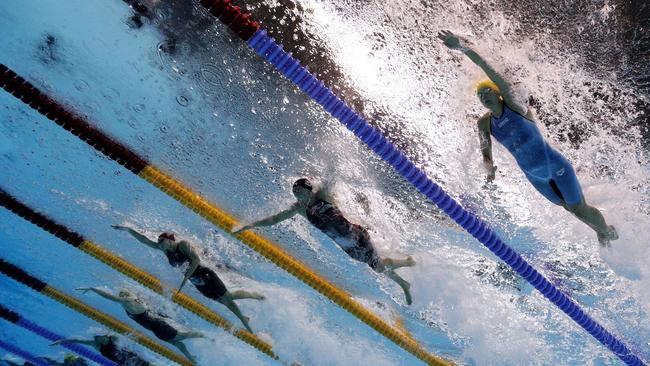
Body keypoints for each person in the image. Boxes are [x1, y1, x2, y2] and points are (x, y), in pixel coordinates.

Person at [437, 30, 619, 245]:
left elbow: (490, 71)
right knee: (571, 209)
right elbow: (486, 153)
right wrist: (489, 168)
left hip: (555, 165)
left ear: (498, 93)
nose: (484, 97)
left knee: (579, 208)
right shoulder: (484, 123)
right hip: (535, 177)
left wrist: (462, 48)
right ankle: (602, 230)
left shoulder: (515, 106)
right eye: (480, 96)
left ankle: (607, 231)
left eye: (487, 92)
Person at [234, 178, 416, 304]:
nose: (296, 194)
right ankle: (405, 271)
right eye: (294, 192)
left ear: (308, 189)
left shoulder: (323, 195)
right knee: (377, 266)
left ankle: (406, 273)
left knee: (378, 266)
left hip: (357, 236)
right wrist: (249, 225)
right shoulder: (298, 209)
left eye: (299, 190)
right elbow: (273, 220)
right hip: (348, 248)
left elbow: (332, 177)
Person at [111, 225, 264, 332]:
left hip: (205, 275)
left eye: (162, 241)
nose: (159, 244)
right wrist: (129, 230)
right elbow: (144, 240)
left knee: (227, 298)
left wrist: (185, 279)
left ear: (170, 240)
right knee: (222, 300)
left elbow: (196, 260)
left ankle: (249, 314)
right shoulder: (165, 250)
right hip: (196, 281)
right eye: (158, 242)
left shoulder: (182, 245)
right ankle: (247, 312)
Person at [76, 287, 201, 362]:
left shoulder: (128, 300)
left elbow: (109, 297)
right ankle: (191, 358)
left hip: (158, 327)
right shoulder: (133, 302)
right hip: (155, 328)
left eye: (121, 294)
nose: (120, 297)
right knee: (177, 342)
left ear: (126, 295)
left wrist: (94, 289)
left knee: (183, 336)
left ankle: (206, 336)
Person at [51, 335, 149, 366]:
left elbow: (128, 345)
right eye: (97, 337)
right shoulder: (96, 344)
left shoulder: (113, 338)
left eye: (99, 336)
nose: (98, 338)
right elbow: (79, 340)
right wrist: (63, 341)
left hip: (134, 359)